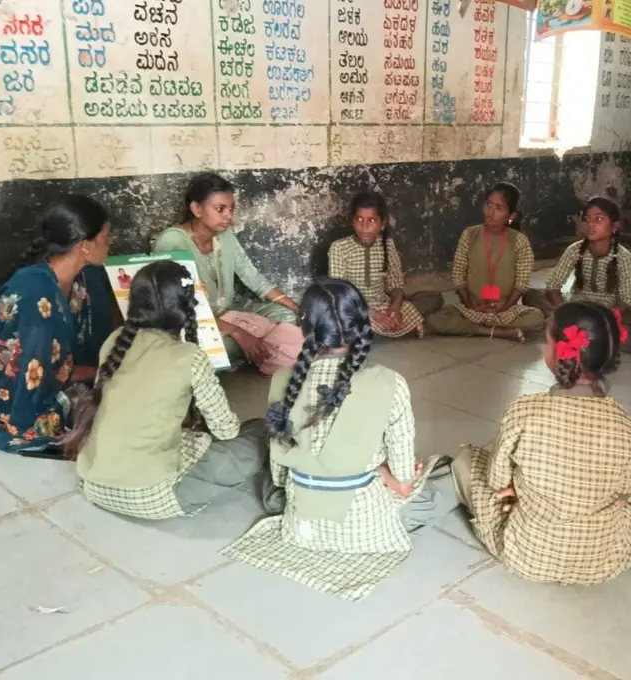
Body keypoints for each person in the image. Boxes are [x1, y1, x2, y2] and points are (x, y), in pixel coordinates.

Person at [223, 279, 455, 600]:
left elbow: (278, 475)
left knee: (273, 481)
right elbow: (402, 475)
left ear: (303, 327)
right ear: (362, 323)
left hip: (302, 518)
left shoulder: (281, 380)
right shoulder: (390, 382)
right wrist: (389, 474)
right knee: (448, 475)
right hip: (364, 523)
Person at [451, 302, 631, 584]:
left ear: (559, 352)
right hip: (601, 563)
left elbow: (496, 481)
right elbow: (623, 491)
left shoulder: (525, 410)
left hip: (528, 555)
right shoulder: (626, 425)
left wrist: (520, 487)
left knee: (467, 460)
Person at [64, 261, 265, 519]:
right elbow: (225, 430)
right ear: (188, 307)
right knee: (257, 435)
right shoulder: (189, 356)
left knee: (188, 439)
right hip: (153, 496)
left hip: (92, 484)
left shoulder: (115, 341)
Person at [0, 195, 114, 454]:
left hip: (64, 376)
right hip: (27, 402)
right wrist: (99, 371)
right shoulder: (35, 296)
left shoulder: (84, 277)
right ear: (85, 246)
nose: (111, 244)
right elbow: (35, 377)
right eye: (107, 236)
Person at [152, 173, 302, 369]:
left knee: (287, 316)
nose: (228, 216)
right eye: (220, 209)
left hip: (227, 314)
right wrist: (237, 332)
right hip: (192, 323)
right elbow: (176, 309)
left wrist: (299, 309)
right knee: (215, 348)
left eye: (231, 209)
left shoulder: (225, 235)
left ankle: (251, 350)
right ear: (196, 209)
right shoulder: (172, 242)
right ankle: (253, 350)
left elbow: (254, 278)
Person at [424, 183, 544, 342]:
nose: (490, 212)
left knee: (536, 318)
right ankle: (497, 332)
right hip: (472, 308)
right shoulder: (470, 234)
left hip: (504, 310)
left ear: (511, 216)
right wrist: (471, 305)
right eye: (488, 205)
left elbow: (521, 284)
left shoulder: (519, 241)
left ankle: (481, 328)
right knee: (435, 320)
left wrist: (503, 308)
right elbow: (458, 277)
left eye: (499, 208)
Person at [524, 197, 631, 354]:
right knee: (531, 294)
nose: (591, 225)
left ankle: (576, 331)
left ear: (614, 227)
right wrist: (565, 310)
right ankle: (582, 332)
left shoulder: (623, 256)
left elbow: (627, 300)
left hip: (606, 312)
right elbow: (553, 285)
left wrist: (607, 318)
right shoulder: (575, 250)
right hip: (576, 306)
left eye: (599, 219)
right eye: (587, 220)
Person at [328, 191, 442, 338]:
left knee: (434, 298)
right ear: (352, 221)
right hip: (355, 307)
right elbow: (341, 293)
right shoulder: (339, 248)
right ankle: (400, 327)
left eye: (372, 220)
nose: (364, 226)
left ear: (382, 224)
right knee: (339, 314)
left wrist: (395, 308)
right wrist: (374, 315)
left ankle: (385, 327)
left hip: (383, 306)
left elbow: (395, 284)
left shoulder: (387, 244)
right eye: (359, 219)